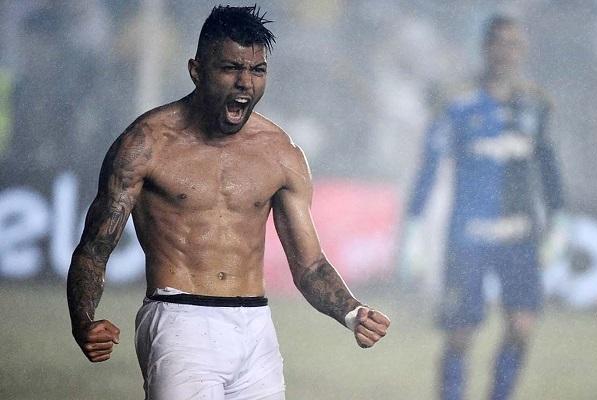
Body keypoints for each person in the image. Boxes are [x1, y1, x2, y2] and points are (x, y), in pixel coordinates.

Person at [66, 5, 390, 400]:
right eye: (231, 68)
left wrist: (352, 311)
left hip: (256, 329)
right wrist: (83, 319)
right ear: (196, 70)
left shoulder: (281, 153)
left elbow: (310, 266)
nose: (245, 83)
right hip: (179, 321)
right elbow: (94, 248)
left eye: (257, 70)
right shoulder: (146, 144)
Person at [401, 15, 563, 400]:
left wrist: (559, 220)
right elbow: (429, 167)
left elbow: (548, 166)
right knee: (460, 333)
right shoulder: (458, 104)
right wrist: (413, 228)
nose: (506, 52)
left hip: (519, 234)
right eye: (499, 43)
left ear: (522, 51)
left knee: (521, 326)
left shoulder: (535, 104)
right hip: (468, 235)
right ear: (486, 48)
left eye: (514, 44)